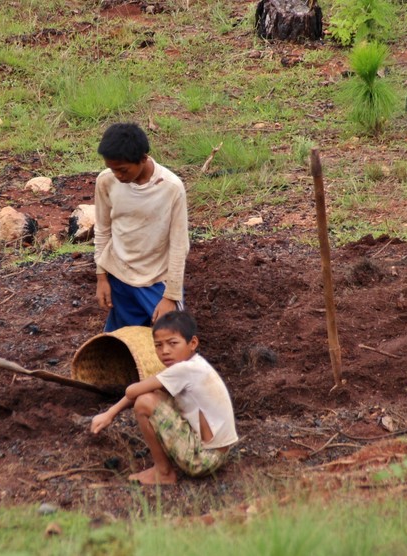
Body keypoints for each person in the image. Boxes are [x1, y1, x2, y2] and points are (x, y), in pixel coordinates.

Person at [90, 311, 238, 485]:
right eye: (158, 345)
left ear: (193, 343)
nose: (165, 351)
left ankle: (163, 472)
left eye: (172, 343)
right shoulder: (196, 365)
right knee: (155, 393)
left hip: (203, 460)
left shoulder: (182, 370)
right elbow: (150, 389)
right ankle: (166, 466)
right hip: (219, 453)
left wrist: (112, 410)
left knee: (144, 402)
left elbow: (132, 392)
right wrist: (110, 413)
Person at [93, 122, 189, 332]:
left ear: (143, 158)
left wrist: (171, 296)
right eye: (112, 169)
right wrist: (101, 276)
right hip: (119, 278)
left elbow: (179, 245)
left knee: (174, 340)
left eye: (123, 170)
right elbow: (102, 230)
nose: (118, 175)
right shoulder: (106, 182)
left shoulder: (171, 188)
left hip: (156, 281)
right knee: (120, 346)